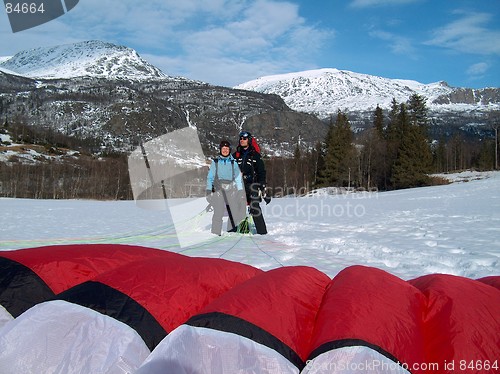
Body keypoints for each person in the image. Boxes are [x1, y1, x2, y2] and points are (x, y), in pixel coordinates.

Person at [206, 140, 245, 235]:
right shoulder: (215, 162)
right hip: (219, 189)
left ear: (229, 150)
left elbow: (238, 178)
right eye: (223, 149)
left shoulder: (233, 163)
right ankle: (215, 233)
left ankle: (231, 232)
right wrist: (208, 190)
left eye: (227, 149)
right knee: (218, 212)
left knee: (233, 212)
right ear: (220, 150)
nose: (225, 150)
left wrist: (240, 190)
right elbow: (210, 177)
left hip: (231, 189)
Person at [233, 130, 268, 235]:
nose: (242, 140)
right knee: (240, 207)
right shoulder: (236, 155)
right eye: (241, 138)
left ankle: (262, 233)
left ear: (249, 140)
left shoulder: (255, 155)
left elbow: (261, 171)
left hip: (253, 185)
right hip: (239, 185)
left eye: (244, 138)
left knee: (254, 207)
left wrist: (262, 184)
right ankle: (244, 230)